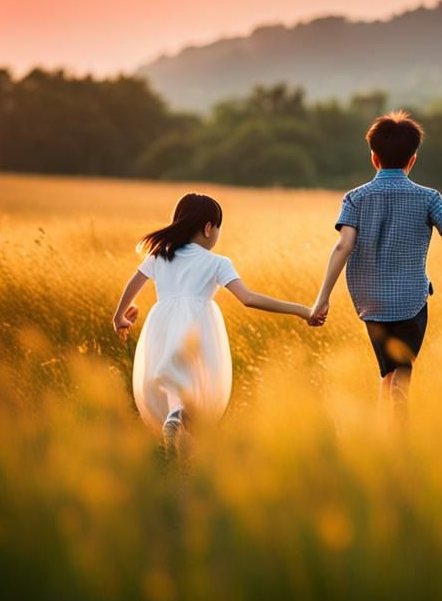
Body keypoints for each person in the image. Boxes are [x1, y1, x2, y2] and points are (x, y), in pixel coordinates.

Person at [112, 192, 321, 455]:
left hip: (161, 323)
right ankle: (183, 426)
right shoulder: (218, 262)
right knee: (198, 381)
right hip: (199, 324)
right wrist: (301, 310)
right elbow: (248, 298)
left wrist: (119, 316)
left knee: (174, 378)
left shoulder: (160, 255)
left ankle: (176, 422)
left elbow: (135, 282)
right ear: (209, 228)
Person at [309, 111, 442, 421]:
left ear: (374, 158)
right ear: (413, 159)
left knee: (387, 371)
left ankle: (382, 430)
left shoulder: (355, 198)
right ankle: (398, 430)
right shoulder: (428, 197)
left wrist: (323, 298)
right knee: (403, 372)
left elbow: (343, 245)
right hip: (411, 300)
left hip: (370, 301)